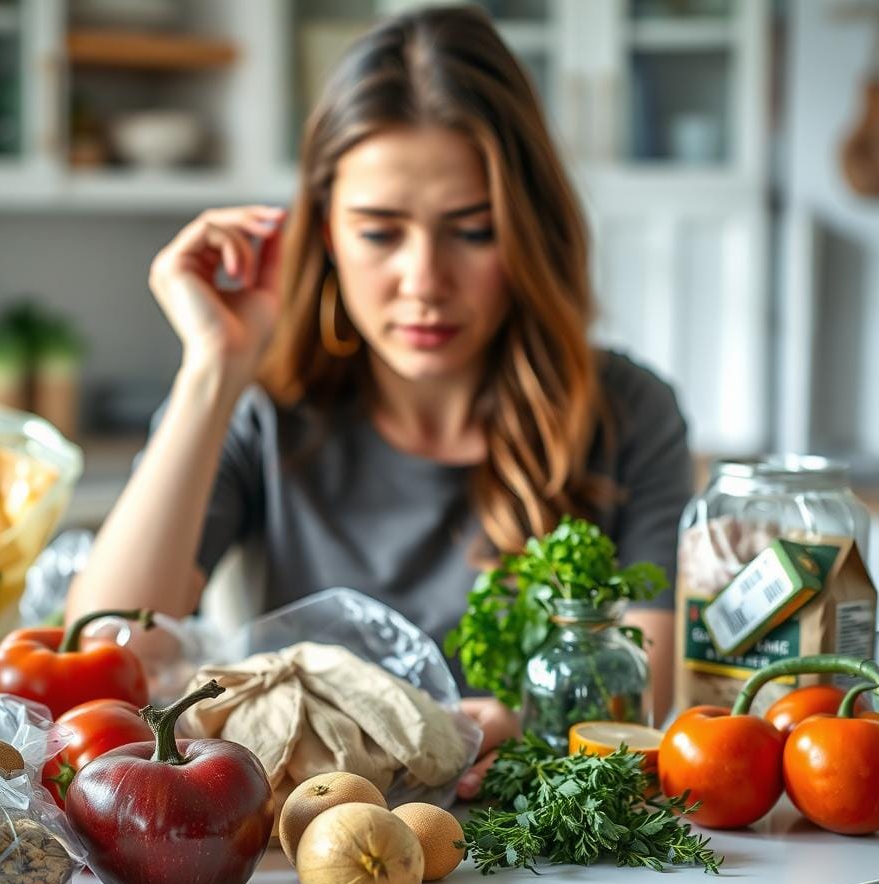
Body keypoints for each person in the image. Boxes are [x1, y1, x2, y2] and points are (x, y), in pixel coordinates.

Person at [66, 5, 692, 799]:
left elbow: (645, 694)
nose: (424, 281)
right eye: (380, 232)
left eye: (472, 230)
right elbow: (104, 659)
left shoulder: (629, 414)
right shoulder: (262, 410)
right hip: (306, 862)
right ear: (323, 231)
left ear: (530, 233)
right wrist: (213, 369)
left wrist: (525, 732)